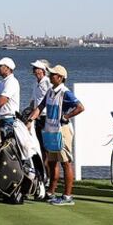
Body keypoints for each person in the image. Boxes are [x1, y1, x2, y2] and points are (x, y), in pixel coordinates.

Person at [27, 65, 84, 206]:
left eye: (53, 74)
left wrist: (67, 116)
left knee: (65, 162)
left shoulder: (65, 92)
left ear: (60, 77)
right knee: (52, 162)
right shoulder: (50, 91)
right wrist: (30, 120)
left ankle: (67, 196)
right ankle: (51, 192)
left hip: (62, 130)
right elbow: (40, 107)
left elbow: (80, 107)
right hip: (51, 130)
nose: (50, 76)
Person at [0, 57, 20, 137]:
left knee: (8, 146)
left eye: (0, 66)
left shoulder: (11, 82)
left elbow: (0, 102)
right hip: (2, 118)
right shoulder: (3, 82)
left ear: (7, 68)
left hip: (9, 119)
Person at [27, 59, 51, 158]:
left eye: (37, 68)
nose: (34, 70)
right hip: (38, 117)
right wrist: (29, 113)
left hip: (46, 116)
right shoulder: (36, 83)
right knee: (40, 145)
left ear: (43, 70)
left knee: (47, 147)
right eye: (34, 68)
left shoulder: (47, 82)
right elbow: (33, 100)